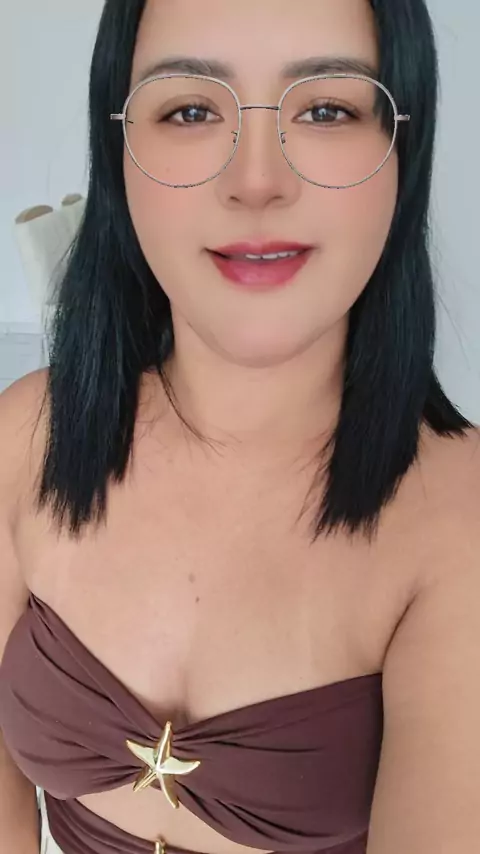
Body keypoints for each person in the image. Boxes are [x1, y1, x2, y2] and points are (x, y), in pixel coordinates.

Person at [1, 1, 479, 853]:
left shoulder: (460, 521)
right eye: (190, 110)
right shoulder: (26, 431)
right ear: (119, 149)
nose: (257, 181)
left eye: (326, 108)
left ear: (404, 148)